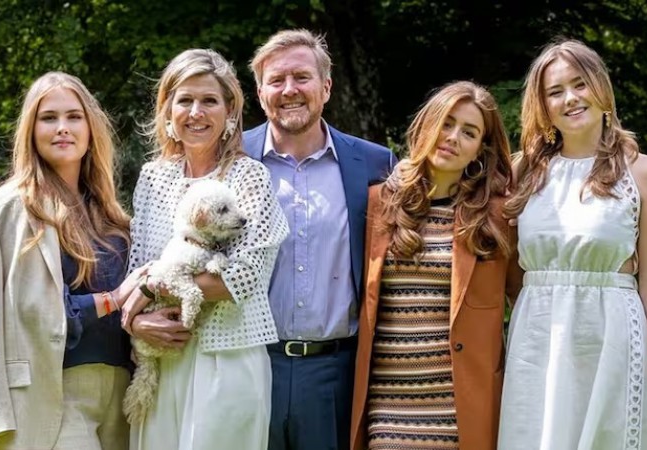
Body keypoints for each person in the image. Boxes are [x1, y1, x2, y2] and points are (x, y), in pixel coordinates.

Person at [499, 39, 647, 449]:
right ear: (544, 105)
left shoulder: (644, 174)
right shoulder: (522, 171)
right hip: (537, 342)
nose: (570, 98)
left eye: (579, 84)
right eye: (555, 91)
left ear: (601, 89)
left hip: (613, 340)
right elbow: (509, 275)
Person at [0, 71, 147, 450]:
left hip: (124, 398)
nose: (62, 128)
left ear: (91, 129)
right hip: (49, 396)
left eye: (74, 117)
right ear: (30, 130)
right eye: (48, 117)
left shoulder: (115, 220)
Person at [119, 48, 289, 450]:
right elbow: (137, 267)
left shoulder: (250, 177)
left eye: (209, 101)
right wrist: (136, 324)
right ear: (168, 110)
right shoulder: (152, 178)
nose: (196, 112)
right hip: (163, 354)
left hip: (227, 357)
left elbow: (242, 278)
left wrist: (148, 291)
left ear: (230, 112)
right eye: (185, 100)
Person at [242, 28, 397, 450]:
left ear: (326, 87)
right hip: (248, 363)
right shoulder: (231, 158)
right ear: (259, 93)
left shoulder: (374, 164)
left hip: (336, 372)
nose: (289, 89)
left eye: (302, 77)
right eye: (276, 80)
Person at [350, 81, 520, 450]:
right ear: (428, 125)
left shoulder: (497, 218)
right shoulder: (376, 204)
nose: (453, 137)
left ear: (480, 149)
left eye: (469, 132)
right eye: (447, 123)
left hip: (464, 412)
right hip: (388, 414)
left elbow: (529, 301)